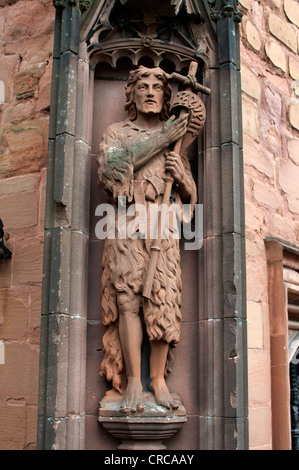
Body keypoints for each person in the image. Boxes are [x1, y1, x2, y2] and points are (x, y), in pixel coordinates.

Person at [97, 65, 197, 413]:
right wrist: (166, 134)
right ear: (132, 94)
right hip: (126, 222)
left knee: (163, 302)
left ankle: (157, 379)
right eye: (143, 86)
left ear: (166, 96)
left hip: (164, 225)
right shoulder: (117, 133)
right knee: (128, 302)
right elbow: (112, 172)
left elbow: (189, 200)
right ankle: (134, 381)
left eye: (158, 86)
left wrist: (183, 177)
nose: (151, 91)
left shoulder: (176, 143)